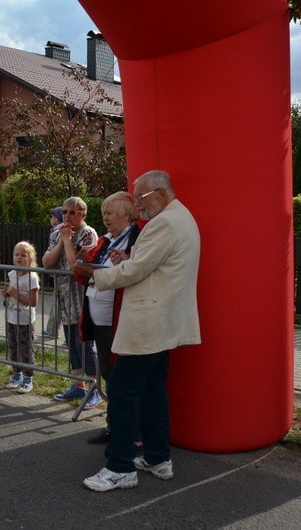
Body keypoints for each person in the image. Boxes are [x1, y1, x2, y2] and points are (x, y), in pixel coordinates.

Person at [77, 170, 201, 492]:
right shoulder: (181, 218)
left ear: (160, 194)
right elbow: (153, 263)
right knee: (152, 390)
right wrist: (130, 259)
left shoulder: (163, 223)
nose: (137, 205)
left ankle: (120, 467)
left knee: (121, 390)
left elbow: (135, 271)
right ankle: (158, 458)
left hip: (148, 323)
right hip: (164, 321)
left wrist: (96, 273)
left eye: (140, 197)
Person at [76, 192, 140, 444]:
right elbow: (81, 267)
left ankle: (133, 434)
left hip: (122, 318)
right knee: (109, 375)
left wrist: (90, 268)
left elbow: (131, 271)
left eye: (110, 213)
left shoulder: (136, 237)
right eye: (103, 213)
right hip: (99, 318)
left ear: (126, 213)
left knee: (123, 378)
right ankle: (114, 426)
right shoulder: (104, 240)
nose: (105, 217)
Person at [42, 196, 100, 408]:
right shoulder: (58, 232)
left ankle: (94, 387)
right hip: (63, 298)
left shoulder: (88, 233)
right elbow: (47, 262)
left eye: (73, 212)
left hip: (82, 296)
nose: (67, 216)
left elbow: (77, 265)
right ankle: (78, 385)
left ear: (83, 215)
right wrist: (61, 240)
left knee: (83, 344)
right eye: (65, 212)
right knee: (71, 345)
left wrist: (67, 241)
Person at [2, 241, 40, 393]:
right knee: (13, 346)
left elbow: (33, 301)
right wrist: (6, 293)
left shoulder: (31, 277)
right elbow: (10, 292)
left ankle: (28, 378)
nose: (19, 257)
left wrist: (15, 294)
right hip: (11, 316)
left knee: (25, 349)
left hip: (24, 319)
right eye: (16, 254)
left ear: (30, 259)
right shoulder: (12, 273)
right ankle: (16, 374)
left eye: (23, 255)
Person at [42, 207, 62, 339]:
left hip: (60, 274)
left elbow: (51, 252)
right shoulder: (58, 229)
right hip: (60, 274)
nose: (51, 218)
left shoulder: (57, 231)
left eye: (52, 216)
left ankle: (52, 331)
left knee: (58, 303)